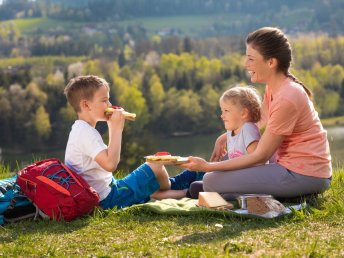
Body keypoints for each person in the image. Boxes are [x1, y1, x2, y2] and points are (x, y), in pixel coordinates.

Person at [180, 27, 332, 200]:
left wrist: (208, 166)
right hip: (291, 168)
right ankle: (217, 188)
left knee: (211, 179)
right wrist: (225, 136)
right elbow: (260, 120)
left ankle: (216, 188)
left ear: (271, 62)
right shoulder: (275, 88)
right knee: (231, 157)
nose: (246, 64)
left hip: (304, 175)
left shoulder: (287, 97)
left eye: (251, 59)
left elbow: (260, 156)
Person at [63, 75, 185, 210]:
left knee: (151, 180)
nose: (109, 105)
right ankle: (177, 187)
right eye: (104, 100)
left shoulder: (80, 129)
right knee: (155, 165)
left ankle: (182, 192)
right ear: (86, 105)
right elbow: (110, 164)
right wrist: (116, 129)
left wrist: (112, 126)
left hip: (107, 190)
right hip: (106, 200)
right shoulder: (85, 133)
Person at [153, 85, 262, 199]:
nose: (222, 115)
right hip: (230, 176)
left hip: (242, 182)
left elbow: (256, 162)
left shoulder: (248, 129)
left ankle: (183, 191)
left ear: (243, 113)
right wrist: (218, 164)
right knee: (195, 172)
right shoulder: (232, 131)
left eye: (226, 111)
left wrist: (217, 168)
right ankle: (170, 185)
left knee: (199, 185)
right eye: (222, 110)